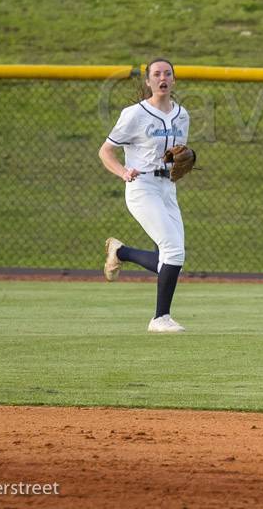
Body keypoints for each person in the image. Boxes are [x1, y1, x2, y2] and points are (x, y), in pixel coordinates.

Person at [99, 58, 193, 332]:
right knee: (174, 251)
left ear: (174, 80)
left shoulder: (182, 115)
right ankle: (160, 319)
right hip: (142, 187)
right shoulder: (134, 114)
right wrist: (122, 172)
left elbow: (178, 154)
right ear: (149, 81)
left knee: (174, 257)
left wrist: (186, 159)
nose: (162, 78)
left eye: (167, 73)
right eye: (156, 74)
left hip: (167, 189)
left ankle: (121, 251)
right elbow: (105, 151)